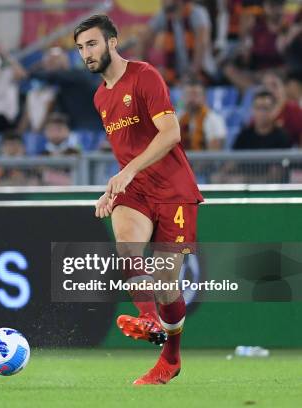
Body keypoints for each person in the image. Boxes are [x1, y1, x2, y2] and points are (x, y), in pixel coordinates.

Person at [75, 15, 203, 385]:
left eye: (92, 44)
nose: (87, 53)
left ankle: (171, 359)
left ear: (113, 42)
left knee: (166, 282)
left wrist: (126, 172)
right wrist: (113, 187)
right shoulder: (100, 96)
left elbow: (171, 133)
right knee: (127, 246)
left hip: (174, 189)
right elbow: (125, 153)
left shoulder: (144, 75)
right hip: (136, 190)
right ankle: (147, 319)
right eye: (81, 48)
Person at [137, 0, 216, 84]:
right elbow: (144, 40)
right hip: (176, 75)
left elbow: (201, 45)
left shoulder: (197, 13)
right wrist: (145, 68)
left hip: (202, 74)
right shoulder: (163, 15)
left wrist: (192, 74)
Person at [179, 79, 227, 150]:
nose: (192, 99)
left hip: (204, 159)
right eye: (188, 95)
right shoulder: (178, 118)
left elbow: (215, 151)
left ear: (204, 98)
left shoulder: (214, 119)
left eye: (195, 95)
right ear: (183, 98)